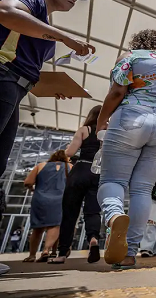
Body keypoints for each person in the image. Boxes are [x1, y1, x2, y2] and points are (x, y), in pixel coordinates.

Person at [96, 29, 156, 269]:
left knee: (112, 180)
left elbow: (117, 92)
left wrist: (101, 121)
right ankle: (130, 253)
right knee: (142, 190)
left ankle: (115, 216)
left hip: (131, 119)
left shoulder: (131, 57)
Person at [0, 0, 94, 179]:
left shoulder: (41, 19)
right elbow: (6, 11)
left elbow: (21, 60)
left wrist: (50, 86)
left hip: (15, 86)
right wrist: (64, 37)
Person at [49, 106, 103, 265]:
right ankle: (93, 239)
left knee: (70, 213)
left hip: (80, 171)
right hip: (98, 172)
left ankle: (62, 253)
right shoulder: (109, 132)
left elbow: (70, 153)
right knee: (93, 211)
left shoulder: (84, 129)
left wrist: (67, 150)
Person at [22, 149, 71, 262]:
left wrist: (33, 189)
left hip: (40, 198)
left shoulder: (41, 165)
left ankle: (32, 255)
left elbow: (28, 182)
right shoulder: (70, 167)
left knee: (37, 228)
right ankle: (46, 250)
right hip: (60, 199)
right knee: (55, 225)